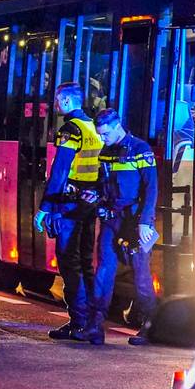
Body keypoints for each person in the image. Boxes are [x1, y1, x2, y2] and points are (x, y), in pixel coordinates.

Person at [33, 82, 103, 341]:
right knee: (85, 263)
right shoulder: (94, 127)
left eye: (57, 100)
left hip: (69, 206)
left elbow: (60, 171)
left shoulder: (70, 130)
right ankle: (90, 323)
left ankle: (78, 322)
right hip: (89, 204)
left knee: (68, 263)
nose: (55, 105)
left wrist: (44, 208)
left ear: (64, 101)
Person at [92, 109, 159, 346]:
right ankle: (96, 324)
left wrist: (144, 222)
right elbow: (103, 184)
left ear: (118, 126)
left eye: (106, 134)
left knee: (141, 274)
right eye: (101, 135)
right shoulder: (106, 152)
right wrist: (96, 197)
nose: (103, 139)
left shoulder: (141, 150)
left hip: (135, 220)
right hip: (113, 218)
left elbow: (151, 189)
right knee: (104, 269)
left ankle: (149, 326)